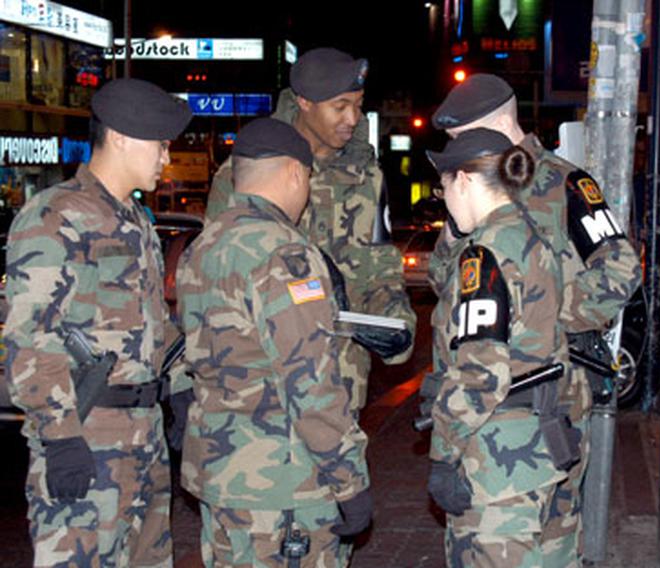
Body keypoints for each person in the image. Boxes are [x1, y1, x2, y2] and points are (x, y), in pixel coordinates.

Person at [426, 74, 643, 565]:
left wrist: (542, 314)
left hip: (557, 397)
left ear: (504, 122)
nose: (459, 150)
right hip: (483, 400)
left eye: (464, 137)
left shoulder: (567, 183)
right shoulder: (471, 185)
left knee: (547, 534)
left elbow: (620, 268)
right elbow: (445, 277)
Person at [3, 78, 191, 567]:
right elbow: (28, 337)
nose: (166, 158)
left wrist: (183, 387)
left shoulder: (136, 219)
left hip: (144, 436)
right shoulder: (54, 215)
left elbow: (154, 324)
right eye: (160, 144)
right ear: (123, 137)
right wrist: (59, 436)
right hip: (87, 435)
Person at [177, 118, 371, 567]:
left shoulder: (202, 247)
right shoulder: (286, 253)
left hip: (220, 475)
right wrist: (349, 479)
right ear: (294, 173)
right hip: (282, 486)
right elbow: (311, 381)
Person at [205, 47, 415, 413]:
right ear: (304, 102)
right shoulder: (251, 169)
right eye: (340, 106)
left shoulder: (367, 175)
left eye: (358, 104)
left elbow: (380, 267)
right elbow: (217, 276)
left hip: (342, 384)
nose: (353, 117)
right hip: (263, 390)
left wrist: (395, 322)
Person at [425, 128, 577, 567]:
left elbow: (481, 375)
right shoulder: (536, 241)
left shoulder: (483, 256)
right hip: (542, 452)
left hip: (495, 471)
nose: (446, 199)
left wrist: (443, 453)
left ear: (465, 181)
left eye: (444, 187)